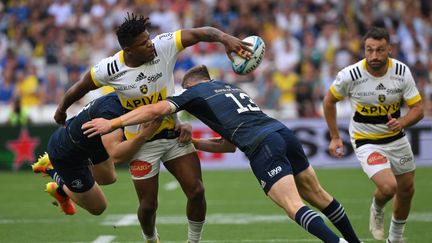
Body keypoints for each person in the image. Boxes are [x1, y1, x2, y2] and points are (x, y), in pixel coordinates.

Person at [82, 65, 362, 243]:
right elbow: (228, 145)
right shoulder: (231, 88)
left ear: (191, 86)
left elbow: (157, 109)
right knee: (320, 196)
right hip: (282, 133)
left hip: (262, 144)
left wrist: (114, 123)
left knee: (293, 206)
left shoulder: (194, 92)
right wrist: (195, 142)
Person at [53, 13, 251, 243]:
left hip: (173, 135)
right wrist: (61, 110)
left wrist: (226, 39)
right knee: (148, 206)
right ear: (128, 50)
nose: (150, 45)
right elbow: (80, 88)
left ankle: (194, 241)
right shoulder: (109, 68)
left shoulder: (163, 45)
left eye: (148, 39)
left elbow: (200, 32)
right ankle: (150, 239)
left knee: (196, 191)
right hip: (141, 144)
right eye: (143, 43)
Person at [322, 27, 424, 243]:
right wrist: (335, 136)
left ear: (389, 49)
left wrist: (402, 121)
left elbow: (418, 109)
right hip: (366, 140)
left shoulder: (401, 71)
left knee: (407, 190)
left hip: (396, 138)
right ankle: (377, 207)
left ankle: (395, 238)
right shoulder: (351, 75)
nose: (374, 56)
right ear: (364, 50)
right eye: (369, 50)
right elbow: (329, 101)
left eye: (379, 50)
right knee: (389, 187)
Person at [32, 93, 161, 216]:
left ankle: (62, 190)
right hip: (66, 153)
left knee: (109, 178)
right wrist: (144, 135)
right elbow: (117, 156)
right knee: (98, 208)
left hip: (90, 144)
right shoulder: (110, 110)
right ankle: (52, 169)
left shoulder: (127, 99)